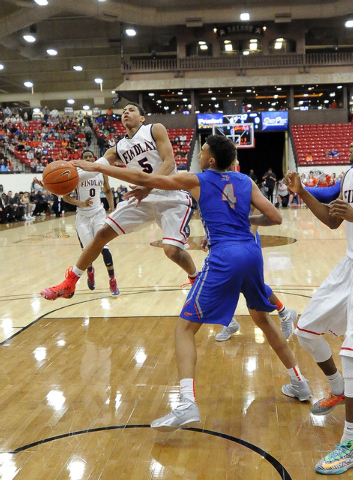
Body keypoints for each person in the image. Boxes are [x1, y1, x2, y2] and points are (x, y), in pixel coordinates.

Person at [72, 134, 313, 431]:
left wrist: (97, 167)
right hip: (252, 252)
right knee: (263, 321)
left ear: (210, 159)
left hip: (224, 257)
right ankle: (300, 382)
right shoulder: (245, 182)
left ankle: (187, 403)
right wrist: (248, 224)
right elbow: (275, 217)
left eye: (203, 152)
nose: (199, 155)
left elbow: (138, 176)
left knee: (184, 328)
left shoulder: (197, 180)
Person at [40, 102, 198, 300]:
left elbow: (169, 162)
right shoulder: (118, 148)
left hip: (170, 195)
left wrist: (148, 187)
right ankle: (70, 283)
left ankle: (195, 279)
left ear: (142, 118)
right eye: (123, 111)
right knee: (101, 235)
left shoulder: (154, 129)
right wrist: (51, 183)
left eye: (131, 110)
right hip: (141, 198)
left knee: (172, 252)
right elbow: (92, 169)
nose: (126, 112)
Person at [285, 145, 353, 475]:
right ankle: (339, 389)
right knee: (305, 329)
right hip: (349, 268)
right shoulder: (350, 174)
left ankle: (351, 442)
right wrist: (302, 193)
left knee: (352, 353)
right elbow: (331, 220)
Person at [62, 150, 119, 295]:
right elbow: (65, 197)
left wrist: (112, 207)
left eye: (90, 157)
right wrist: (81, 203)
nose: (88, 158)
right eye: (85, 157)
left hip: (99, 214)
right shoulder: (76, 174)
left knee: (104, 248)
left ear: (93, 159)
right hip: (82, 217)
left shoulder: (101, 171)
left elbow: (107, 190)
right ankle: (90, 270)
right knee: (88, 251)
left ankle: (112, 280)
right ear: (81, 159)